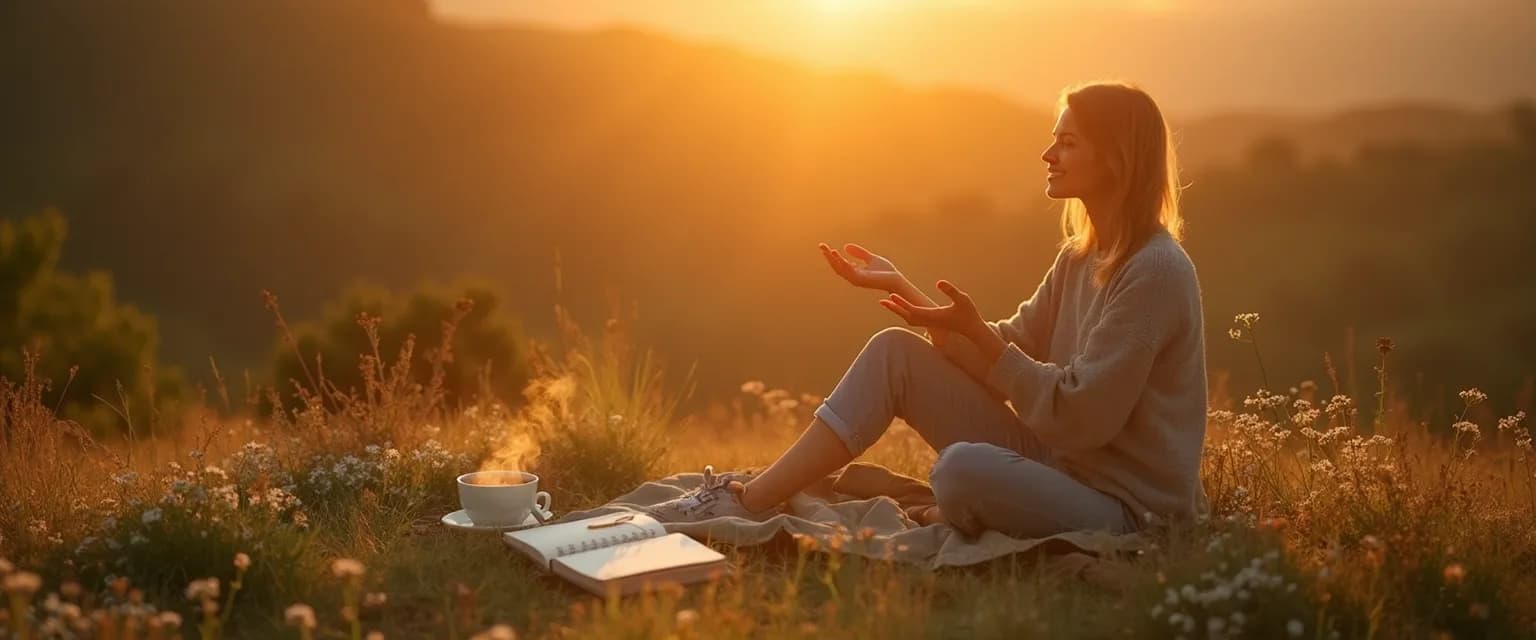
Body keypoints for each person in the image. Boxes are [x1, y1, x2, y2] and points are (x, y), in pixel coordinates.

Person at [647, 81, 1210, 538]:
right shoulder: (1078, 258)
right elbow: (1010, 349)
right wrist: (908, 294)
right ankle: (752, 498)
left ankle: (962, 507)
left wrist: (984, 341)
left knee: (961, 469)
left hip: (1126, 509)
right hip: (1059, 463)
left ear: (1115, 158)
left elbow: (1083, 418)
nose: (1047, 154)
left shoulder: (1154, 272)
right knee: (894, 352)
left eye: (1067, 142)